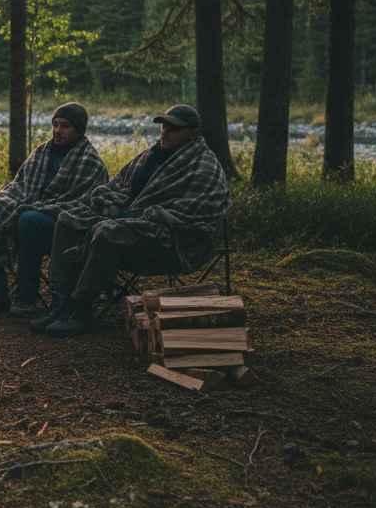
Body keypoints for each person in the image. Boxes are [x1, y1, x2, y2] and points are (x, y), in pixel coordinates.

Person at [33, 104, 231, 338]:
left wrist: (131, 216)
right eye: (164, 126)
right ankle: (61, 302)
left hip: (169, 243)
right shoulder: (152, 155)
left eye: (174, 128)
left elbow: (195, 213)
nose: (165, 132)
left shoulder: (204, 165)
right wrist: (111, 205)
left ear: (193, 133)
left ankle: (81, 307)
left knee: (107, 231)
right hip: (130, 231)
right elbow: (115, 186)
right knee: (67, 220)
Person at [0, 102, 108, 317]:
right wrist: (11, 202)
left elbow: (84, 204)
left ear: (79, 130)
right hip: (29, 207)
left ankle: (26, 297)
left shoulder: (91, 161)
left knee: (29, 219)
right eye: (55, 125)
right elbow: (19, 185)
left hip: (61, 225)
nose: (58, 131)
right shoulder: (43, 151)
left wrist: (38, 208)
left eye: (65, 126)